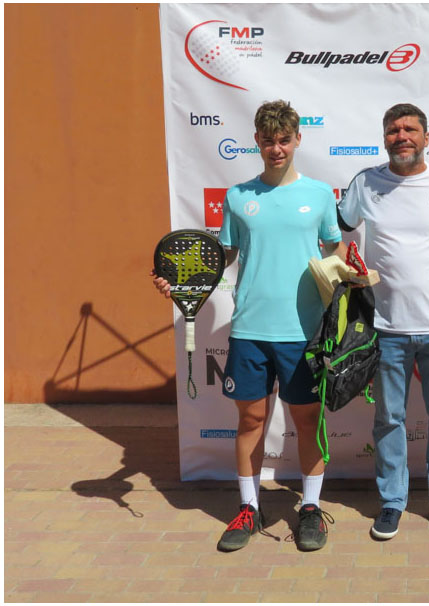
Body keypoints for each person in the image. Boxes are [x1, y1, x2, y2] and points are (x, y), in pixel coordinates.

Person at [152, 100, 345, 552]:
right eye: (269, 140)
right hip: (250, 331)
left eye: (285, 140)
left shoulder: (320, 194)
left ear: (298, 140)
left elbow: (334, 248)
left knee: (308, 421)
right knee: (251, 420)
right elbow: (223, 256)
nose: (277, 148)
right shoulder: (238, 197)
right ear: (257, 141)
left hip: (304, 331)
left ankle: (310, 508)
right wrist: (180, 282)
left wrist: (344, 271)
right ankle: (248, 508)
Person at [337, 103, 429, 541]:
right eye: (393, 130)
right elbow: (336, 230)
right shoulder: (365, 183)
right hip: (384, 327)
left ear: (426, 137)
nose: (402, 136)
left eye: (410, 129)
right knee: (389, 419)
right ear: (384, 138)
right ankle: (392, 502)